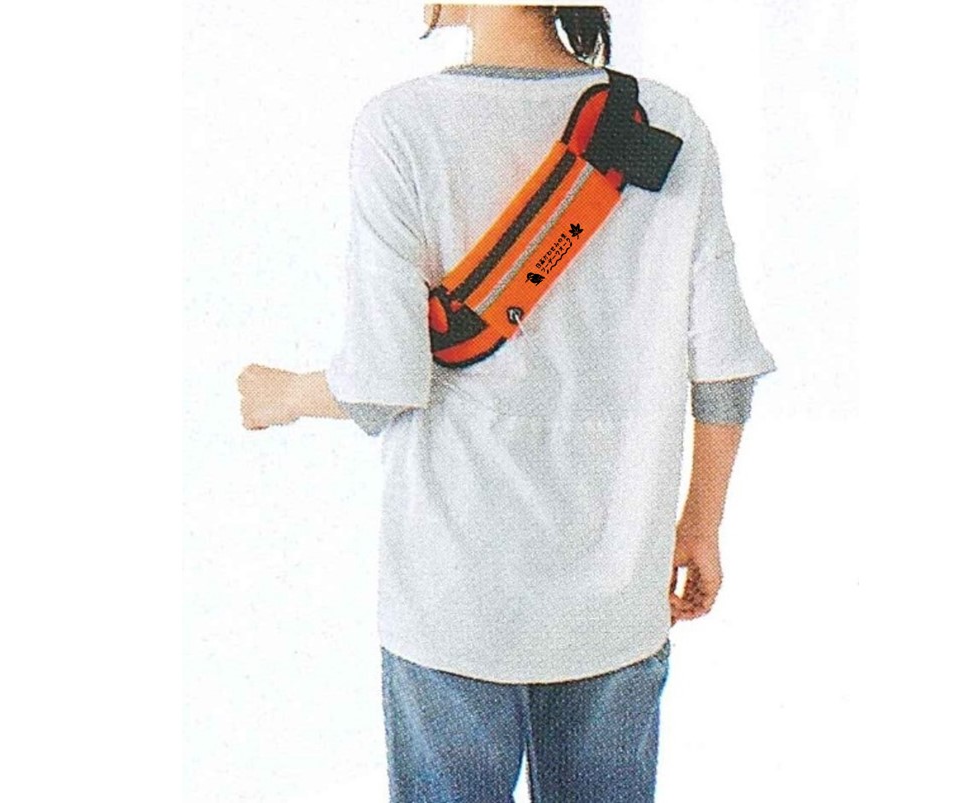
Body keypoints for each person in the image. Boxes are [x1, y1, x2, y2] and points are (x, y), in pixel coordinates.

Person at [237, 4, 776, 800]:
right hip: (618, 592)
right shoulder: (666, 122)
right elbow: (722, 366)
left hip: (451, 597)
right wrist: (699, 525)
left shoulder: (401, 125)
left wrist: (280, 395)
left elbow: (383, 381)